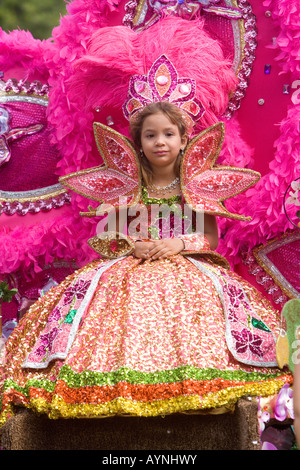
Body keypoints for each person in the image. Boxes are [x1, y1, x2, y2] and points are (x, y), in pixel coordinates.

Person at [0, 98, 292, 426]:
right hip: (129, 268)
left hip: (186, 270)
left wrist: (177, 243)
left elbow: (210, 239)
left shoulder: (195, 186)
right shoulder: (127, 186)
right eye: (150, 136)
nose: (160, 142)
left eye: (168, 134)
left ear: (183, 140)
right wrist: (129, 244)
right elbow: (103, 235)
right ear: (139, 143)